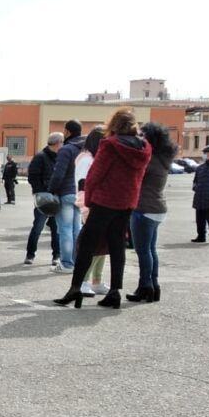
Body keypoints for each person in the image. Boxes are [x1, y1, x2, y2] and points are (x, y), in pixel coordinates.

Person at [54, 108, 151, 309]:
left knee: (87, 245)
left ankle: (75, 289)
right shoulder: (143, 148)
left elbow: (95, 175)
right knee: (117, 245)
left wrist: (88, 199)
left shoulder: (110, 145)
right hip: (127, 201)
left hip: (104, 200)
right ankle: (115, 291)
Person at [127, 122, 176, 303]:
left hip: (144, 208)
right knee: (150, 250)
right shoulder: (163, 157)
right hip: (157, 207)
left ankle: (145, 286)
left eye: (142, 136)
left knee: (143, 251)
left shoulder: (149, 160)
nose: (139, 138)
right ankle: (153, 286)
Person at [74, 127, 109, 298]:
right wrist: (88, 206)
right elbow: (83, 185)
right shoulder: (86, 159)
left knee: (102, 245)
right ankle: (84, 281)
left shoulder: (93, 158)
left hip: (99, 204)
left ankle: (96, 281)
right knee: (94, 245)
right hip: (91, 205)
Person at [48, 120, 86, 273]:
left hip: (66, 193)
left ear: (68, 132)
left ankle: (66, 263)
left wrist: (51, 190)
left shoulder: (66, 150)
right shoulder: (85, 149)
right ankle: (77, 261)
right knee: (77, 229)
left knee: (65, 229)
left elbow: (59, 174)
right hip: (80, 193)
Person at [25, 133, 62, 265]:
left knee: (56, 229)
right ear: (58, 143)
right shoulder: (40, 157)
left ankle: (56, 255)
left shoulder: (60, 157)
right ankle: (30, 254)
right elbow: (33, 177)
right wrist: (41, 193)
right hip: (44, 199)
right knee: (38, 227)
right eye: (62, 142)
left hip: (57, 198)